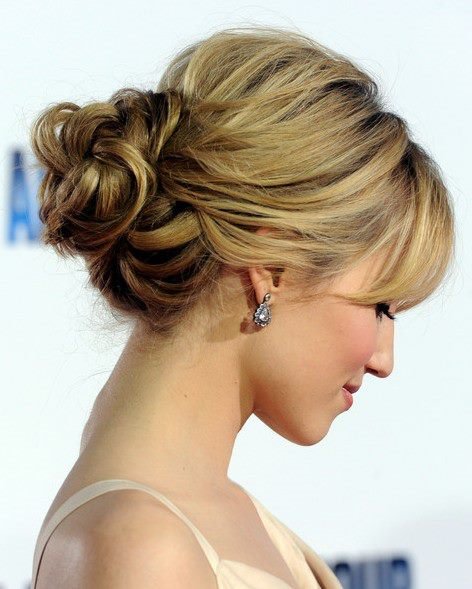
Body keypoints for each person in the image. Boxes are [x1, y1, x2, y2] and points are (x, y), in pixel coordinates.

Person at [29, 25, 455, 588]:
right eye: (379, 306)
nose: (384, 360)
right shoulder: (142, 550)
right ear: (270, 266)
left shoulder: (213, 521)